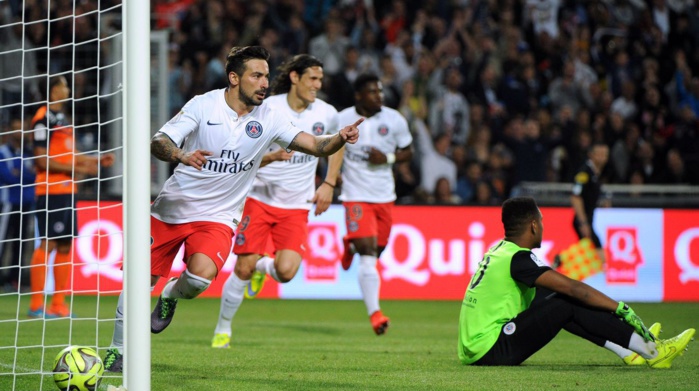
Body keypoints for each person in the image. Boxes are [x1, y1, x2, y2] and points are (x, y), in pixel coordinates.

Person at [104, 46, 362, 371]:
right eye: (257, 75)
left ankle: (170, 295)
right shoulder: (203, 105)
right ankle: (117, 350)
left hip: (219, 216)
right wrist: (182, 155)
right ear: (234, 78)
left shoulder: (270, 116)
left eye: (267, 76)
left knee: (199, 279)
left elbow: (316, 145)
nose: (264, 82)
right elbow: (159, 141)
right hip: (172, 209)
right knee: (140, 281)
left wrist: (340, 136)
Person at [458, 196, 695, 367]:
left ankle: (628, 350)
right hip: (491, 349)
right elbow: (573, 288)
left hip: (475, 348)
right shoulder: (518, 258)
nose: (542, 225)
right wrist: (619, 308)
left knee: (553, 299)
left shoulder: (499, 250)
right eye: (540, 220)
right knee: (567, 300)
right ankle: (653, 351)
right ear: (533, 225)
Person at [211, 54, 342, 349]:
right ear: (295, 78)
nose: (317, 85)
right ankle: (223, 329)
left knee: (285, 271)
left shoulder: (327, 113)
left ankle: (262, 269)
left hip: (296, 205)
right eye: (312, 78)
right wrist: (269, 159)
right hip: (259, 197)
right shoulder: (268, 108)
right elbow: (242, 149)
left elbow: (336, 147)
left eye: (320, 80)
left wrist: (329, 182)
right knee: (242, 267)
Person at [28, 76, 115, 318]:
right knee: (49, 242)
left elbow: (71, 154)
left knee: (66, 244)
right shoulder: (42, 118)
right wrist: (77, 169)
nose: (68, 89)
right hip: (51, 190)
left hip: (68, 190)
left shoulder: (63, 120)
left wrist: (95, 161)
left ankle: (58, 304)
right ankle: (36, 305)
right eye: (64, 85)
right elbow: (41, 159)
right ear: (54, 91)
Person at [338, 73, 413, 335]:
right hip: (355, 195)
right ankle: (375, 314)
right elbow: (331, 147)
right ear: (359, 95)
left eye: (380, 91)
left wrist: (388, 158)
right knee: (369, 255)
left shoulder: (394, 119)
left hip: (384, 197)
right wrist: (331, 176)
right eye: (373, 92)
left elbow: (409, 150)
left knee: (376, 250)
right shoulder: (342, 117)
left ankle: (350, 242)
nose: (379, 96)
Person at [0, 118, 35, 293]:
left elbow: (35, 176)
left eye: (22, 129)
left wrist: (19, 173)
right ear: (9, 131)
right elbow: (6, 176)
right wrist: (25, 174)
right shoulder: (3, 151)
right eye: (15, 129)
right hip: (7, 203)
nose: (18, 133)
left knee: (20, 244)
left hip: (26, 202)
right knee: (3, 240)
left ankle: (15, 280)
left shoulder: (30, 153)